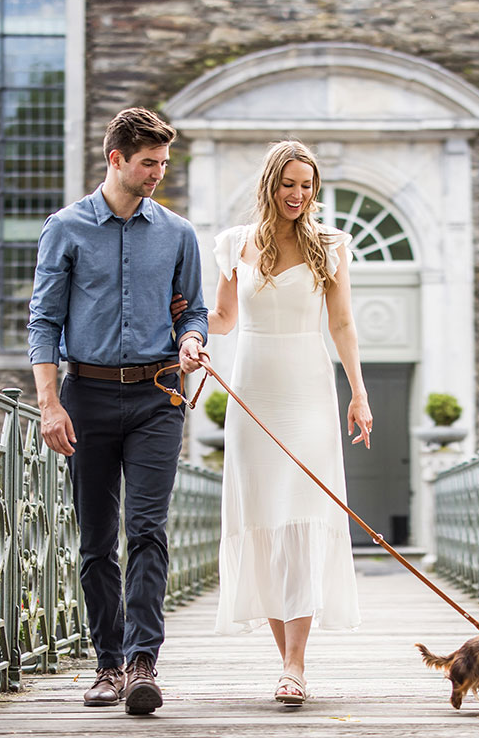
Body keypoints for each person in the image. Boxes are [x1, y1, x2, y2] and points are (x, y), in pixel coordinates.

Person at [28, 107, 208, 716]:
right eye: (148, 163)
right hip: (87, 398)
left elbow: (193, 310)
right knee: (97, 539)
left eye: (163, 162)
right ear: (116, 160)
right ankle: (106, 663)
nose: (158, 172)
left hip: (159, 397)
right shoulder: (66, 228)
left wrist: (190, 340)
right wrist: (49, 404)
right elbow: (44, 322)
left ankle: (141, 663)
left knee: (148, 530)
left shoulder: (178, 234)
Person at [204, 139, 374, 706]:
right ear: (270, 185)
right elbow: (224, 318)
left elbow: (343, 324)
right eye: (289, 184)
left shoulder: (331, 245)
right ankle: (284, 660)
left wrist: (359, 393)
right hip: (253, 390)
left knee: (301, 516)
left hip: (308, 390)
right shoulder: (234, 244)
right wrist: (191, 335)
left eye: (307, 186)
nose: (298, 195)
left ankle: (296, 664)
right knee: (263, 519)